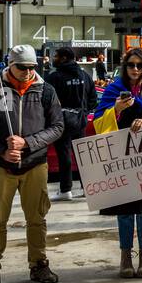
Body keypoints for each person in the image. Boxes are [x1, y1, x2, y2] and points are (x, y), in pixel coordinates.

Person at [0, 45, 64, 283]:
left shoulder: (46, 90)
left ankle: (39, 264)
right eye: (22, 67)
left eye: (32, 67)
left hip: (35, 164)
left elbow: (57, 126)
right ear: (10, 65)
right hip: (1, 166)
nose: (28, 72)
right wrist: (0, 150)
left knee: (37, 219)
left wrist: (28, 143)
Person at [92, 47, 142, 279]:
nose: (135, 69)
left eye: (140, 65)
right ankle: (126, 255)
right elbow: (99, 121)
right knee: (125, 210)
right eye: (131, 65)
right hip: (122, 158)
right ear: (125, 67)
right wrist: (116, 110)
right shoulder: (114, 89)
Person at [46, 47, 97, 201]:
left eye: (56, 56)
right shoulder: (85, 76)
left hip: (60, 122)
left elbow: (46, 100)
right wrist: (83, 112)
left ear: (63, 58)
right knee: (82, 155)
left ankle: (65, 190)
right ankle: (87, 188)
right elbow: (93, 98)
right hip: (80, 121)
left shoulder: (54, 77)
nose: (54, 58)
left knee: (64, 155)